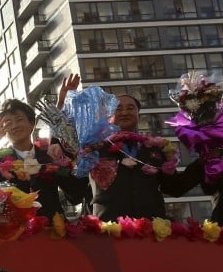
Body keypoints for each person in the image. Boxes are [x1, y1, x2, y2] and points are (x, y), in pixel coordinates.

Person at [57, 73, 176, 220]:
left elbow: (175, 187)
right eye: (118, 109)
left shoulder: (155, 149)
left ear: (139, 115)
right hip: (106, 230)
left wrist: (202, 156)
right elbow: (75, 192)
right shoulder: (93, 148)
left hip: (151, 229)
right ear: (109, 116)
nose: (125, 112)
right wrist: (62, 106)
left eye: (130, 108)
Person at [0, 98, 87, 220]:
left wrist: (75, 157)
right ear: (3, 130)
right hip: (17, 229)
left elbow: (76, 193)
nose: (14, 126)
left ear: (32, 124)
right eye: (8, 123)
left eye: (19, 120)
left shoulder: (50, 155)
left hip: (54, 228)